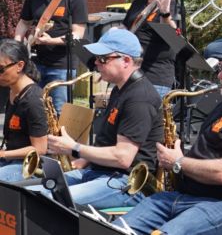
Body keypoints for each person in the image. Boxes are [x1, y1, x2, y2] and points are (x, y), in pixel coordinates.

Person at [116, 43, 222, 234]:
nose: (220, 77)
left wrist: (178, 161)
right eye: (220, 69)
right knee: (116, 229)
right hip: (183, 196)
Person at [35, 29, 163, 209]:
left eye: (103, 59)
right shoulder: (120, 89)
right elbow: (108, 141)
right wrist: (85, 160)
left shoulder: (139, 98)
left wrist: (74, 148)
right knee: (34, 191)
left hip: (126, 183)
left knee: (48, 199)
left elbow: (123, 158)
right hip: (102, 172)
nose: (95, 63)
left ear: (126, 61)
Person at [13, 0, 88, 114]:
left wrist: (50, 41)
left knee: (59, 111)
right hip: (36, 63)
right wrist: (17, 44)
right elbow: (23, 23)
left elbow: (78, 34)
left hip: (61, 65)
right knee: (34, 109)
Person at [120, 0, 179, 97]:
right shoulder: (138, 1)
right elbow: (126, 26)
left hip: (155, 75)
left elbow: (174, 36)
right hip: (132, 72)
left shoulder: (172, 3)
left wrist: (165, 14)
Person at [0, 40, 48, 182]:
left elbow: (39, 149)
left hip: (30, 166)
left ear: (20, 65)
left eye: (1, 69)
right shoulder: (13, 91)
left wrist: (3, 154)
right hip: (11, 159)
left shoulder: (33, 101)